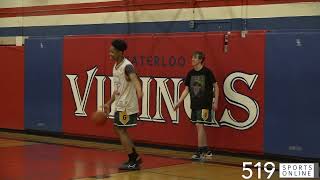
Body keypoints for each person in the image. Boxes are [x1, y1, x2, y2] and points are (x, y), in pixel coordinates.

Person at [104, 39, 143, 170]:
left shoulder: (127, 66)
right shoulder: (115, 67)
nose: (110, 54)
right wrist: (109, 103)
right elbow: (117, 90)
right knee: (119, 130)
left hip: (127, 106)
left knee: (120, 130)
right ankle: (135, 157)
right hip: (120, 104)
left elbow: (134, 78)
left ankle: (133, 159)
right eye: (109, 51)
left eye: (112, 52)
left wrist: (139, 90)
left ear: (120, 52)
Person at [174, 51, 219, 160]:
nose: (192, 59)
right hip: (194, 104)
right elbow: (186, 89)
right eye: (192, 57)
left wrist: (215, 101)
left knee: (199, 124)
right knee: (199, 126)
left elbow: (216, 87)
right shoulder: (190, 73)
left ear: (200, 60)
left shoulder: (207, 72)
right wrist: (179, 102)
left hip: (205, 104)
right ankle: (206, 150)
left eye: (195, 58)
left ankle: (199, 151)